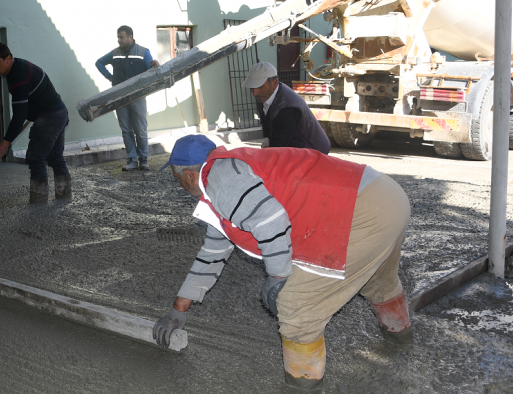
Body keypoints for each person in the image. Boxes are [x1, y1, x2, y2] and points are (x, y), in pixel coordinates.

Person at [153, 135, 411, 390]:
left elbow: (271, 222)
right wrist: (179, 309)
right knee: (378, 278)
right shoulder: (228, 168)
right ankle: (401, 339)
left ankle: (302, 385)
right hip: (385, 196)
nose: (180, 186)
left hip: (362, 212)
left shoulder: (220, 181)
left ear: (187, 175)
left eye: (177, 180)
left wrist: (277, 278)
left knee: (295, 305)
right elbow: (212, 253)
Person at [0, 42, 71, 203]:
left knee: (35, 157)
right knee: (54, 157)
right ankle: (64, 196)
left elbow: (19, 115)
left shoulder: (18, 76)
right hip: (59, 112)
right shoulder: (18, 67)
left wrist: (6, 142)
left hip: (50, 115)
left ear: (8, 58)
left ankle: (38, 202)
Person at [95, 25, 160, 171]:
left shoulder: (143, 52)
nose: (119, 40)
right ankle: (132, 160)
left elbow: (152, 69)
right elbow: (99, 62)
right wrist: (110, 78)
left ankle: (143, 159)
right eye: (118, 37)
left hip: (138, 96)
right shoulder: (115, 53)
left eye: (121, 37)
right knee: (126, 130)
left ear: (130, 37)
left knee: (140, 129)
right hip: (120, 98)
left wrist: (155, 65)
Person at [244, 62, 330, 154]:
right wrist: (267, 138)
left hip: (314, 152)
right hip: (295, 148)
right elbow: (266, 122)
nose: (254, 93)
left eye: (260, 86)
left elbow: (278, 148)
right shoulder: (264, 95)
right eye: (252, 88)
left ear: (274, 83)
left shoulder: (287, 108)